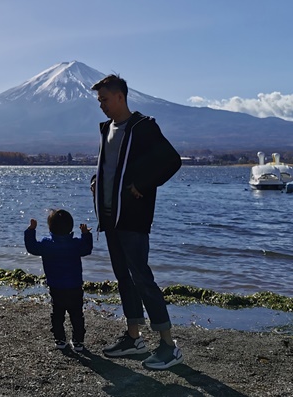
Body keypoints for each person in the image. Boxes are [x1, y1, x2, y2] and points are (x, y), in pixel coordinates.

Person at [90, 74, 184, 370]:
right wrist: (98, 179)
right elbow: (113, 164)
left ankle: (169, 345)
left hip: (133, 217)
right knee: (124, 278)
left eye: (104, 99)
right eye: (99, 101)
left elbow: (171, 160)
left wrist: (142, 185)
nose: (101, 106)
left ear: (120, 97)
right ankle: (134, 338)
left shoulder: (144, 127)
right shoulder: (107, 128)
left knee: (142, 277)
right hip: (110, 216)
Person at [24, 209, 92, 352]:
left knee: (57, 313)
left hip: (56, 286)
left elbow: (31, 247)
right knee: (77, 314)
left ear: (50, 227)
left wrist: (31, 230)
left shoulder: (46, 244)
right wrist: (86, 234)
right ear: (70, 227)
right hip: (74, 286)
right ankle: (78, 341)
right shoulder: (75, 244)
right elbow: (87, 249)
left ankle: (60, 339)